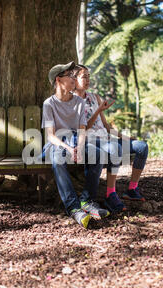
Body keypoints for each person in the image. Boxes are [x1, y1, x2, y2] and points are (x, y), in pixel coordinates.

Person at [41, 61, 109, 229]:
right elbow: (50, 135)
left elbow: (81, 130)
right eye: (70, 75)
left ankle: (87, 200)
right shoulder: (49, 104)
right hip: (57, 143)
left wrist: (78, 147)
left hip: (76, 141)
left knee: (98, 153)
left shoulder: (79, 102)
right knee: (58, 158)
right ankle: (73, 207)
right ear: (58, 80)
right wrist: (68, 148)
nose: (73, 78)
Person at [73, 64, 149, 213]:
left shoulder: (95, 97)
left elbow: (106, 126)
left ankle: (132, 189)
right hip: (91, 141)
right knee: (116, 148)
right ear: (74, 80)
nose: (87, 80)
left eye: (89, 76)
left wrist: (125, 137)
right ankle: (110, 194)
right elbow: (82, 128)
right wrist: (98, 111)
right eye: (84, 77)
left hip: (107, 138)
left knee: (141, 146)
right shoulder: (72, 102)